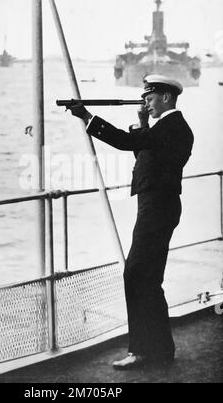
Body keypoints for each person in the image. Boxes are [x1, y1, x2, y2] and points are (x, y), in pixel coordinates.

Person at [69, 74, 194, 369]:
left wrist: (87, 116)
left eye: (149, 99)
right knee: (148, 279)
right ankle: (161, 349)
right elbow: (144, 155)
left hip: (157, 208)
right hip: (156, 206)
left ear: (166, 97)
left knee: (135, 276)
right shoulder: (166, 128)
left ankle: (141, 351)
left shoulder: (172, 126)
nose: (145, 103)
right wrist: (143, 121)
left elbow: (126, 142)